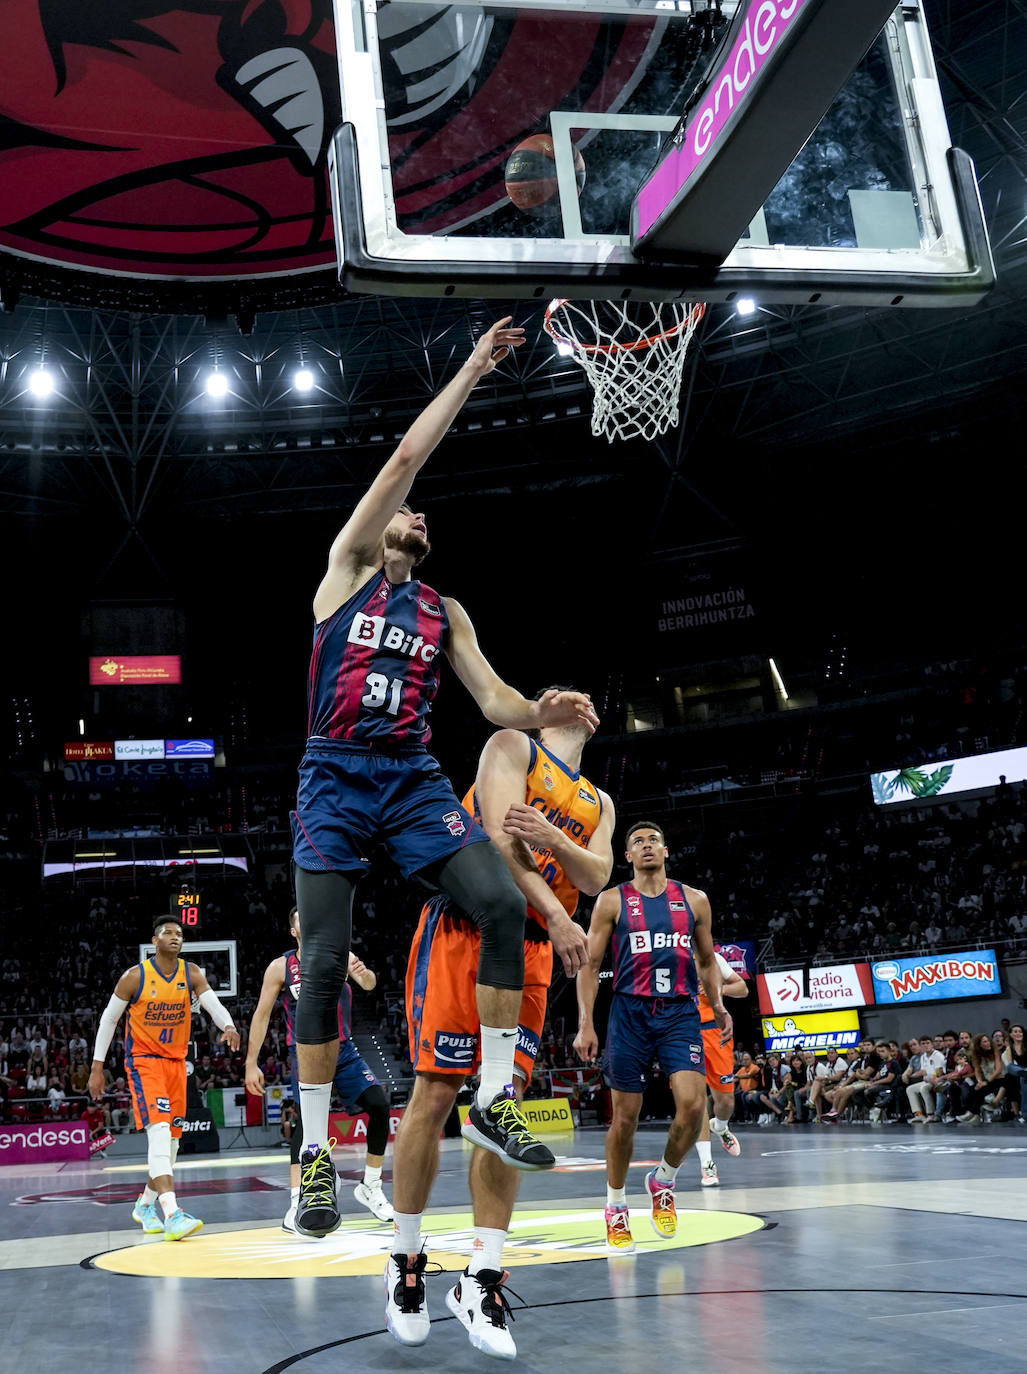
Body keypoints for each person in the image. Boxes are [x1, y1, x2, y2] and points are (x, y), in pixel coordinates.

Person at [289, 316, 598, 1236]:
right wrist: (471, 367)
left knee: (502, 903)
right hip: (335, 773)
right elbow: (404, 460)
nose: (418, 514)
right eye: (407, 511)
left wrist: (542, 710)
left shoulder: (443, 609)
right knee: (320, 962)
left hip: (410, 777)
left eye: (424, 514)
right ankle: (313, 1157)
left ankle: (495, 1098)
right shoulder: (345, 573)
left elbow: (496, 700)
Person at [387, 702, 613, 1355]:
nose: (576, 698)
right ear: (546, 713)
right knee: (434, 1094)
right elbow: (493, 839)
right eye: (561, 692)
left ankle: (480, 1279)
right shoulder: (512, 745)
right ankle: (405, 1261)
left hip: (534, 952)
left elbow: (596, 874)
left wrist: (556, 842)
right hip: (470, 929)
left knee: (502, 1107)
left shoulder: (599, 801)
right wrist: (558, 911)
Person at [574, 820, 731, 1255]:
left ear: (666, 851)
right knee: (625, 1118)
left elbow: (706, 960)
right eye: (637, 842)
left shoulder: (694, 900)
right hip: (630, 1013)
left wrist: (718, 1006)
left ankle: (663, 1180)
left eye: (653, 840)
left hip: (680, 1012)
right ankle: (616, 1205)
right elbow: (590, 965)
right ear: (627, 856)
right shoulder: (612, 900)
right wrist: (586, 1022)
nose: (646, 846)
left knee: (694, 1106)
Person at [88, 916, 239, 1240]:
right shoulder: (134, 977)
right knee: (158, 1133)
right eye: (168, 933)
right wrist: (97, 1067)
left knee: (171, 1145)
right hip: (145, 1063)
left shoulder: (191, 972)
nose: (175, 937)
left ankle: (145, 1205)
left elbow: (212, 1005)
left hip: (176, 1064)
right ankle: (173, 1214)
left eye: (179, 933)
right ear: (154, 941)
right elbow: (108, 1020)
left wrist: (228, 1025)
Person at [245, 906, 393, 1233]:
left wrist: (362, 971)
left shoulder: (339, 954)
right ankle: (297, 1199)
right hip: (306, 1053)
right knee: (306, 1125)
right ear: (293, 931)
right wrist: (251, 1062)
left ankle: (371, 1186)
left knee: (379, 1106)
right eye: (301, 919)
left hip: (344, 1050)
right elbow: (261, 1015)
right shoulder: (280, 967)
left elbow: (369, 984)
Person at [692, 951, 746, 1185]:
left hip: (716, 1031)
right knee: (696, 1101)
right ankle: (707, 1165)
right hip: (684, 1032)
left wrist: (718, 990)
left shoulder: (712, 959)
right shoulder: (666, 957)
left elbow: (742, 988)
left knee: (726, 1102)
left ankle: (721, 1126)